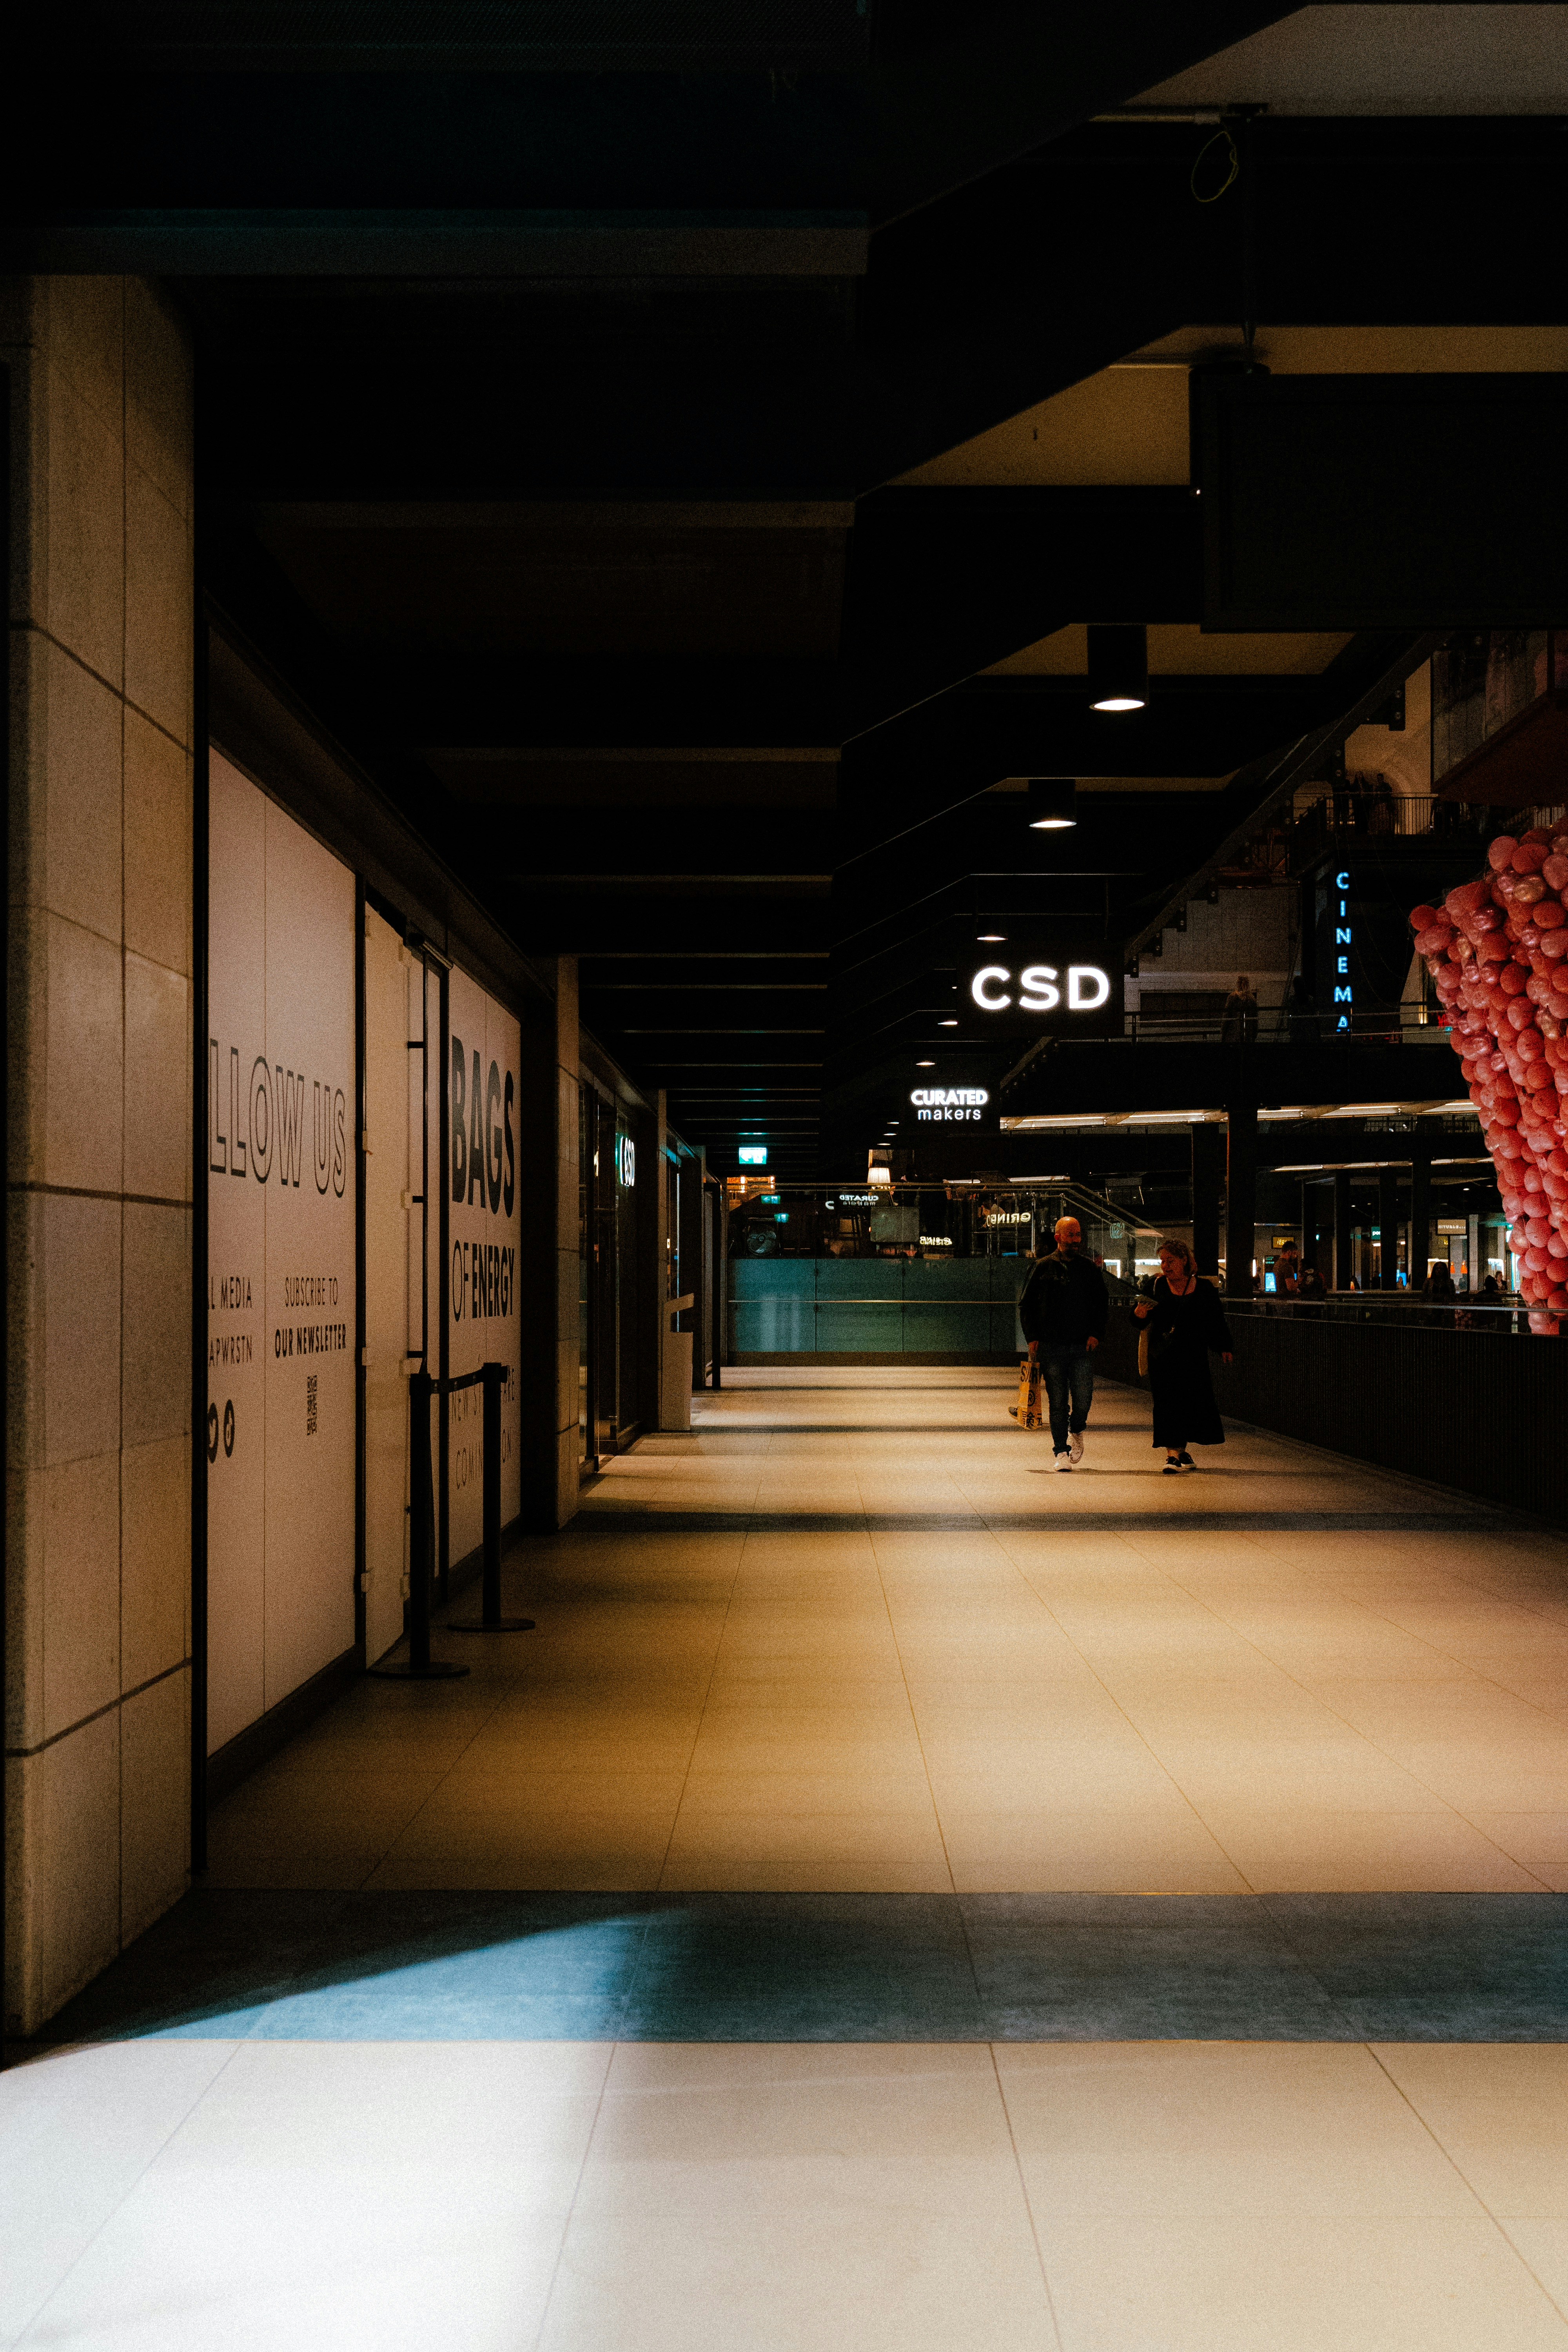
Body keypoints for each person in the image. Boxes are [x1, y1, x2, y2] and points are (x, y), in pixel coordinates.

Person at [1132, 1238, 1234, 1472]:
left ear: (1185, 1261)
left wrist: (1225, 1347)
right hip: (1163, 1356)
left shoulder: (1204, 1289)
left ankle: (1181, 1449)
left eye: (1170, 1261)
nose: (1165, 1266)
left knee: (1190, 1403)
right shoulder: (1155, 1286)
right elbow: (1138, 1321)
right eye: (1163, 1261)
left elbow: (1216, 1321)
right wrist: (1139, 1314)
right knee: (1167, 1403)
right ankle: (1172, 1455)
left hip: (1193, 1357)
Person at [1017, 1216, 1108, 1471]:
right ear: (1058, 1237)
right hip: (1051, 1346)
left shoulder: (1089, 1269)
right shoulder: (1042, 1267)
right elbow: (1026, 1305)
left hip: (1081, 1346)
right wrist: (1032, 1337)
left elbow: (1101, 1304)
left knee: (1083, 1398)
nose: (1076, 1240)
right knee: (1057, 1402)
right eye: (1071, 1235)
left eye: (1078, 1235)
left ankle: (1077, 1429)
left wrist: (1096, 1333)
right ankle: (1061, 1451)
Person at [1220, 975, 1258, 1045]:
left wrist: (1223, 1033)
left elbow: (1226, 1017)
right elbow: (1255, 1019)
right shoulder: (1252, 999)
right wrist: (1254, 1034)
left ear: (1238, 984)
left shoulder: (1232, 997)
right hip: (1248, 1035)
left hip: (1233, 1035)